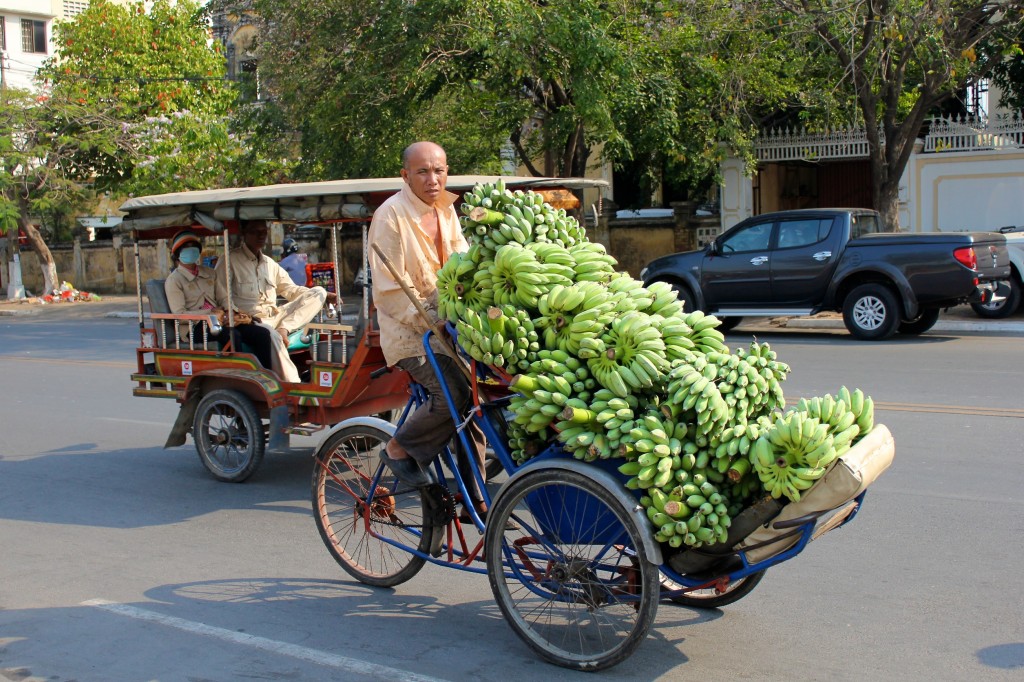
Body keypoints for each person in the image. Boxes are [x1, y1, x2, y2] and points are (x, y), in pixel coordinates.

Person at [368, 141, 488, 520]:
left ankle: (475, 495)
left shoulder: (448, 211)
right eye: (422, 171)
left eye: (438, 170)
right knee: (453, 391)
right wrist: (429, 320)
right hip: (410, 334)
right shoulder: (390, 217)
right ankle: (400, 448)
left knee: (477, 400)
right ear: (405, 175)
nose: (432, 179)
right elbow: (389, 290)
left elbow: (463, 265)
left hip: (449, 329)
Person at [214, 219, 338, 383]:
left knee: (318, 291)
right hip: (251, 321)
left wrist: (323, 296)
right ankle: (292, 384)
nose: (261, 236)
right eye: (255, 232)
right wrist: (242, 316)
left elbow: (291, 290)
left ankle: (285, 329)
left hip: (277, 317)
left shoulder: (269, 263)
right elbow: (223, 298)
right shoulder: (229, 260)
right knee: (271, 335)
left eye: (263, 232)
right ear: (244, 233)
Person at [163, 230, 274, 371]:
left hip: (221, 320)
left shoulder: (209, 273)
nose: (191, 250)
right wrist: (210, 313)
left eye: (193, 247)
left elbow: (224, 297)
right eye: (186, 247)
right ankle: (242, 374)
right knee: (232, 335)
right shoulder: (174, 280)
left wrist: (232, 311)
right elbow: (179, 313)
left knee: (262, 334)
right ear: (177, 253)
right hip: (195, 327)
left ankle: (265, 373)